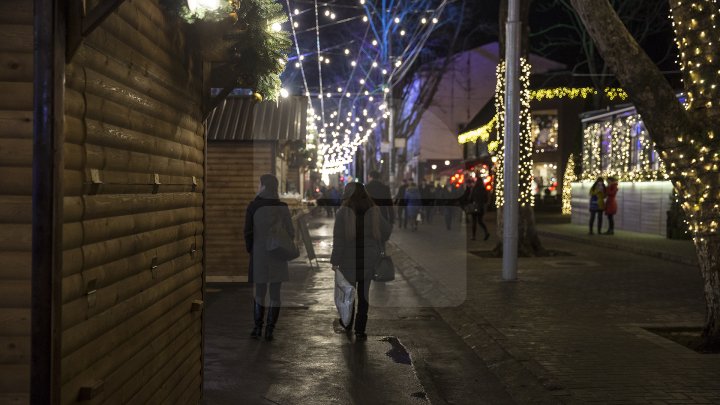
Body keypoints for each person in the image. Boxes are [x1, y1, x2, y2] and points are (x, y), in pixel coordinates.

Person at [331, 183, 392, 340]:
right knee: (364, 296)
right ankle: (360, 329)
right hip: (369, 259)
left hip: (347, 260)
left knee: (348, 293)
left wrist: (335, 260)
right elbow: (386, 232)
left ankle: (347, 324)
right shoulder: (374, 211)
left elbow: (339, 240)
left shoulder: (343, 212)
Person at [244, 174, 295, 341]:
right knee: (275, 293)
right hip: (278, 253)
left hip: (259, 253)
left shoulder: (253, 206)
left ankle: (257, 327)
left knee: (259, 291)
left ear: (263, 186)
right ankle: (270, 330)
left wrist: (252, 249)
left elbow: (248, 232)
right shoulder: (282, 206)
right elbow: (291, 232)